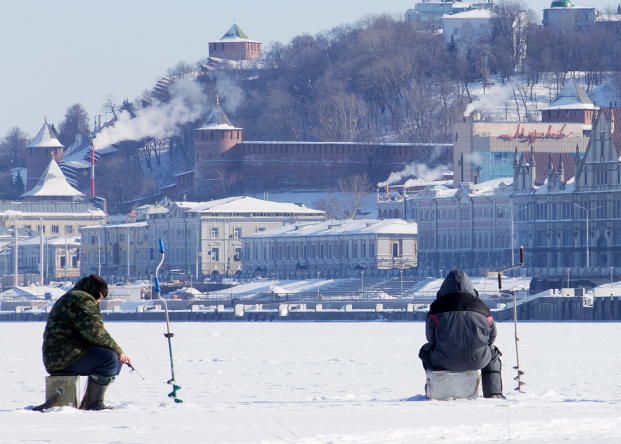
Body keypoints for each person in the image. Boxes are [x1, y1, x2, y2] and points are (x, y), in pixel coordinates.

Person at [42, 274, 131, 410]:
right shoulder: (81, 299)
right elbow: (95, 333)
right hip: (62, 357)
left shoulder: (75, 296)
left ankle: (89, 401)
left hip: (61, 355)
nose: (100, 302)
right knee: (110, 358)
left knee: (114, 358)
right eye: (100, 298)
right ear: (95, 292)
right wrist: (119, 351)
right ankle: (93, 404)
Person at [419, 270, 504, 399]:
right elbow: (491, 337)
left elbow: (431, 339)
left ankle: (438, 390)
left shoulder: (436, 307)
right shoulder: (482, 307)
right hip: (478, 359)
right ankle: (493, 394)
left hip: (443, 360)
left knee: (425, 351)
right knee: (493, 355)